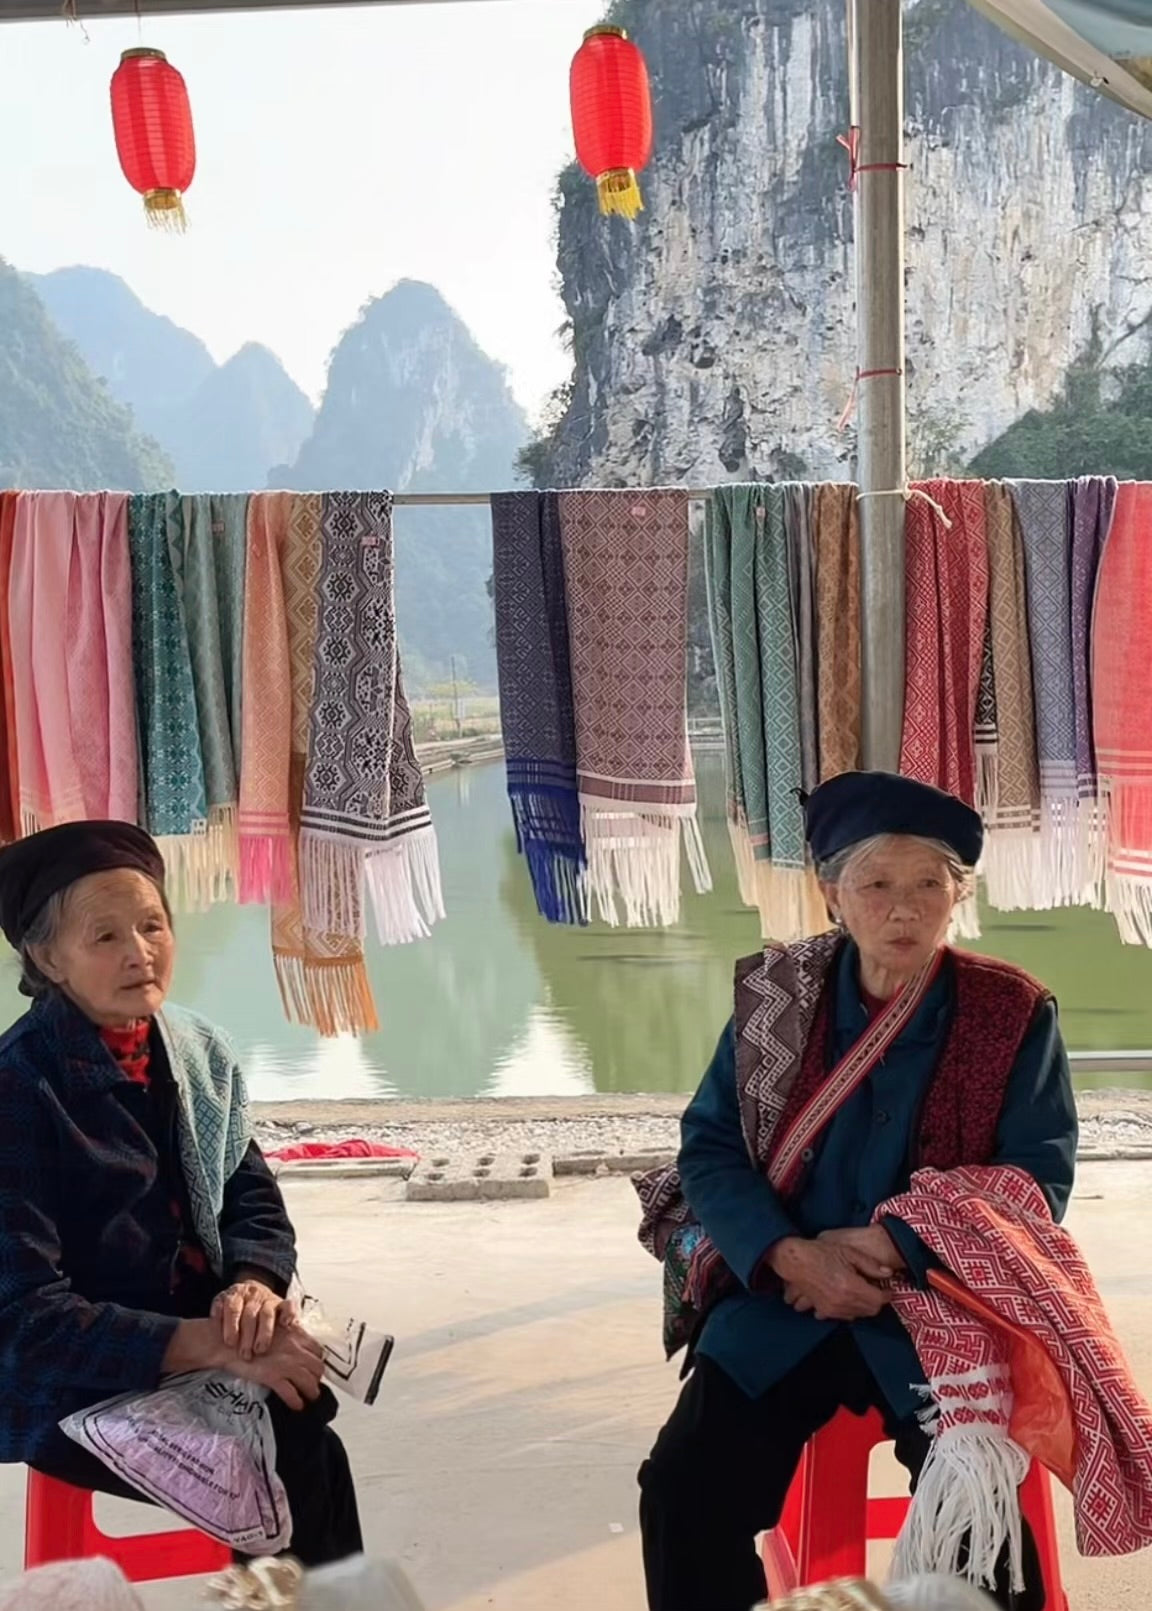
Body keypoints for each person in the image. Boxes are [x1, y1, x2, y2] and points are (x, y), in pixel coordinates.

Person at [636, 772, 1078, 1611]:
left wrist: (895, 1244)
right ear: (832, 892)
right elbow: (710, 1146)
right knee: (682, 1492)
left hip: (940, 1311)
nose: (903, 909)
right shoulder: (775, 998)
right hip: (782, 1304)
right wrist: (787, 1255)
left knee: (981, 1539)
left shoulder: (1012, 1011)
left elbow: (1036, 1177)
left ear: (958, 895)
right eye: (876, 884)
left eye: (928, 885)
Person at [0, 821, 362, 1566]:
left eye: (153, 925)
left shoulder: (195, 1053)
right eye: (105, 936)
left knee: (301, 1426)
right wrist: (206, 1344)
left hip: (201, 1336)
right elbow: (24, 1317)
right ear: (46, 957)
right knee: (292, 1456)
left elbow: (251, 1198)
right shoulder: (20, 1088)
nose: (140, 952)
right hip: (70, 1376)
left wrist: (252, 1288)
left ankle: (292, 1596)